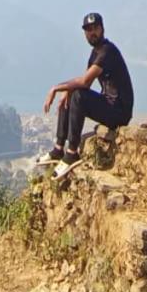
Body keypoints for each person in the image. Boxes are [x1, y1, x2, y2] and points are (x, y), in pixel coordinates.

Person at [40, 12, 134, 176]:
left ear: (102, 29)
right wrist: (66, 90)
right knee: (71, 93)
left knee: (77, 95)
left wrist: (56, 88)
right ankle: (59, 148)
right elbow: (85, 81)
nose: (92, 32)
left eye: (95, 28)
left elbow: (84, 83)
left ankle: (72, 152)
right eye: (88, 29)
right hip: (110, 105)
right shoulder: (96, 52)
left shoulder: (107, 51)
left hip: (119, 112)